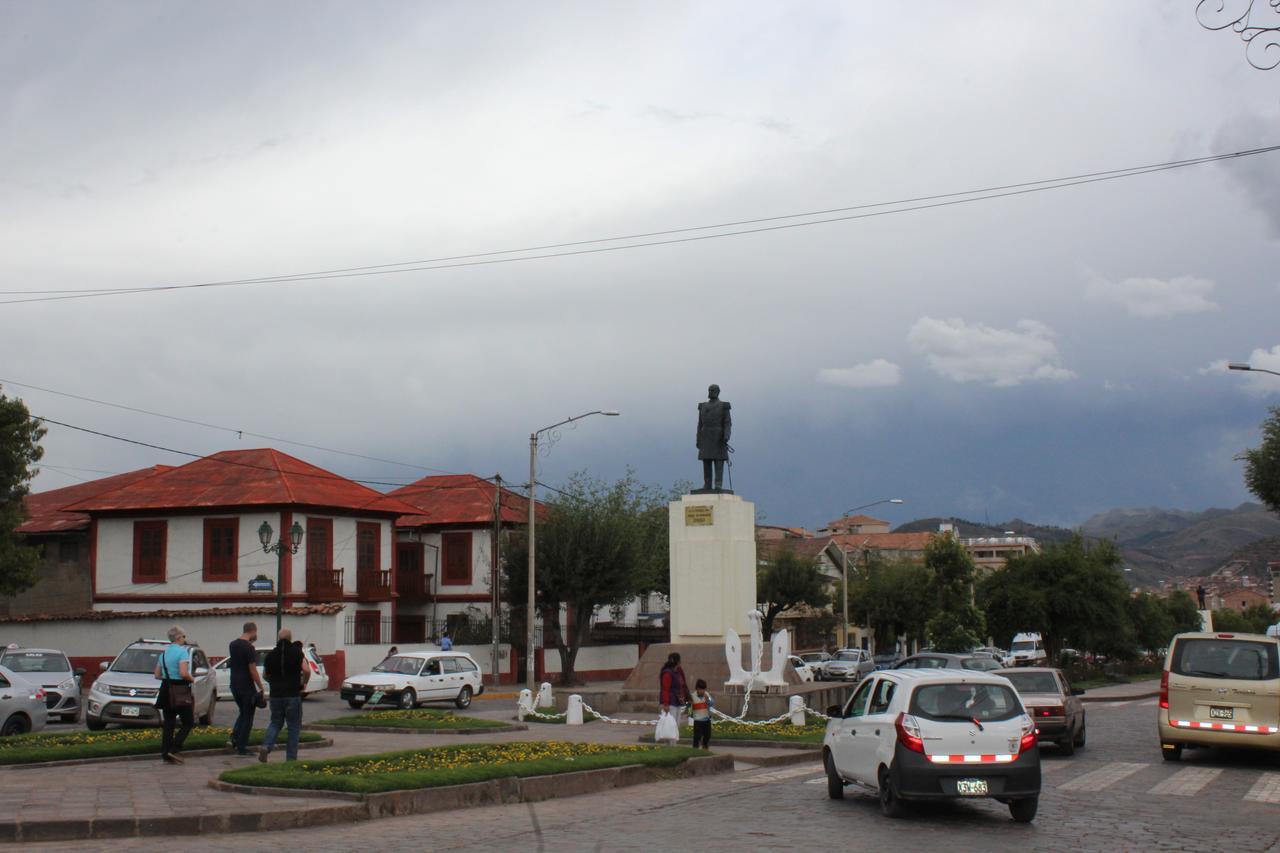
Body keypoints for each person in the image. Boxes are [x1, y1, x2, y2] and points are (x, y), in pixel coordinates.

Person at [259, 629, 310, 763]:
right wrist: (303, 683)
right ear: (290, 638)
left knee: (275, 722)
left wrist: (274, 682)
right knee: (293, 726)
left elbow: (264, 675)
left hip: (276, 695)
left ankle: (266, 746)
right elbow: (306, 670)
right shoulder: (297, 653)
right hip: (292, 694)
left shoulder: (270, 655)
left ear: (278, 638)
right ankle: (291, 759)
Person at [155, 625, 195, 764]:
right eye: (184, 636)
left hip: (166, 688)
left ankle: (165, 753)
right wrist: (192, 679)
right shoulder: (182, 652)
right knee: (188, 722)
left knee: (169, 723)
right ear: (179, 637)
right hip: (180, 689)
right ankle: (175, 748)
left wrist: (168, 676)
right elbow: (183, 673)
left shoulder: (163, 654)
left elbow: (157, 674)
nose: (185, 639)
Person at [228, 621, 265, 756]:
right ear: (253, 631)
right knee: (248, 716)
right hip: (246, 686)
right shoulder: (249, 647)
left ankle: (234, 737)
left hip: (234, 684)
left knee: (243, 712)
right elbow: (252, 670)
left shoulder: (233, 645)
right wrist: (261, 687)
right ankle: (242, 746)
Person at [659, 652, 689, 719]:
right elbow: (665, 689)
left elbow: (683, 685)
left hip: (678, 701)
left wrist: (688, 697)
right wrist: (666, 704)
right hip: (670, 703)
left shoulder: (678, 671)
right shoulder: (667, 673)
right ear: (678, 662)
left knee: (676, 726)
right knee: (671, 724)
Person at [689, 679, 714, 749]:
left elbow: (712, 703)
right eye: (701, 689)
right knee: (697, 737)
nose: (702, 691)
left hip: (706, 719)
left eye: (704, 689)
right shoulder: (692, 696)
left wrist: (707, 699)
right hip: (698, 720)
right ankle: (695, 749)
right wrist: (689, 707)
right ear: (697, 689)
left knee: (707, 736)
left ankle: (705, 748)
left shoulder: (707, 695)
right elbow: (688, 707)